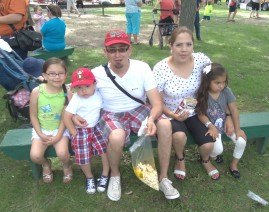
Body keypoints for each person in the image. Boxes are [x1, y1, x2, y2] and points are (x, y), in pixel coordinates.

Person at [73, 30, 180, 201]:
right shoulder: (96, 73)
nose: (118, 55)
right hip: (111, 112)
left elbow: (156, 103)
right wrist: (72, 116)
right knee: (117, 136)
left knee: (165, 125)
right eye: (112, 50)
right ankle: (115, 175)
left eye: (122, 49)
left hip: (139, 109)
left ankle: (164, 178)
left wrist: (151, 119)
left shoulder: (142, 68)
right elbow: (73, 90)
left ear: (130, 50)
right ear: (105, 51)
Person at [153, 27, 233, 181]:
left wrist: (228, 115)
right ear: (170, 45)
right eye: (179, 45)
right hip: (170, 113)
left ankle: (205, 160)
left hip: (197, 111)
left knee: (208, 144)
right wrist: (172, 114)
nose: (184, 50)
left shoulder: (202, 61)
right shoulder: (161, 68)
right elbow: (156, 100)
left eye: (188, 44)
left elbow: (220, 85)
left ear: (193, 45)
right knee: (179, 137)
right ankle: (180, 158)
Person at [195, 63, 247, 179]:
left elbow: (234, 110)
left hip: (227, 125)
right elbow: (201, 114)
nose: (221, 86)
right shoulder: (202, 94)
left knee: (242, 141)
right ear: (207, 81)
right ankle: (210, 157)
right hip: (213, 128)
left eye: (223, 82)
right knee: (218, 150)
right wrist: (210, 126)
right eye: (217, 83)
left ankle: (233, 165)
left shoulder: (226, 91)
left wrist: (237, 129)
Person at [64, 68, 110, 194]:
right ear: (75, 89)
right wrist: (74, 133)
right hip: (81, 130)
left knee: (104, 149)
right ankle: (89, 177)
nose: (83, 91)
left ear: (95, 84)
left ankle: (105, 174)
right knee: (83, 155)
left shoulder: (99, 94)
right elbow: (66, 116)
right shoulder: (76, 99)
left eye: (87, 86)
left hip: (96, 127)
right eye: (79, 88)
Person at [29, 57, 72, 184]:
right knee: (35, 156)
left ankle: (66, 166)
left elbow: (66, 118)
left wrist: (58, 135)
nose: (57, 77)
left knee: (63, 153)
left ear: (65, 75)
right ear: (44, 76)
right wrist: (41, 134)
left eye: (60, 73)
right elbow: (33, 115)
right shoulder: (37, 92)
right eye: (52, 74)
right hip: (41, 129)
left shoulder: (67, 93)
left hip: (60, 129)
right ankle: (46, 164)